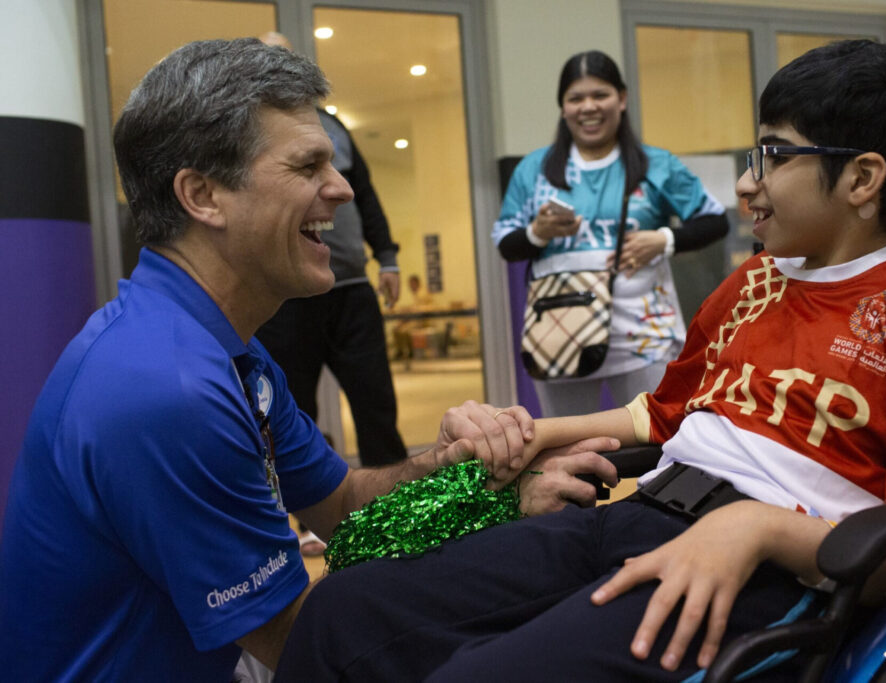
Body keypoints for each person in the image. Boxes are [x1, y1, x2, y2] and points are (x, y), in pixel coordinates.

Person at [274, 40, 886, 682]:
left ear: (862, 180)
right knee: (343, 608)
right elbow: (661, 410)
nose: (746, 182)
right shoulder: (756, 282)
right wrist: (530, 433)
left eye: (773, 156)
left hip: (765, 564)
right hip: (640, 511)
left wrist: (760, 527)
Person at [0, 38, 616, 682]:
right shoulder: (166, 387)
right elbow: (314, 648)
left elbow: (343, 504)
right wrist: (516, 541)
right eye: (307, 166)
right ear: (203, 195)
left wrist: (466, 475)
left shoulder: (219, 348)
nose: (343, 188)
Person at [494, 50, 729, 417]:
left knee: (661, 443)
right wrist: (537, 232)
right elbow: (507, 246)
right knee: (569, 455)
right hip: (560, 335)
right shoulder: (533, 170)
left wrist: (664, 240)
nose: (588, 106)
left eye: (600, 95)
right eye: (576, 98)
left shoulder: (656, 164)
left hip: (642, 334)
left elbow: (715, 221)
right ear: (563, 108)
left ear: (621, 99)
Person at [253, 31, 406, 557]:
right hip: (287, 298)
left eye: (286, 58)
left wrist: (386, 257)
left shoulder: (335, 126)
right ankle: (306, 520)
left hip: (352, 289)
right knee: (289, 412)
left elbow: (365, 196)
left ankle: (401, 516)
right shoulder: (250, 135)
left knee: (375, 404)